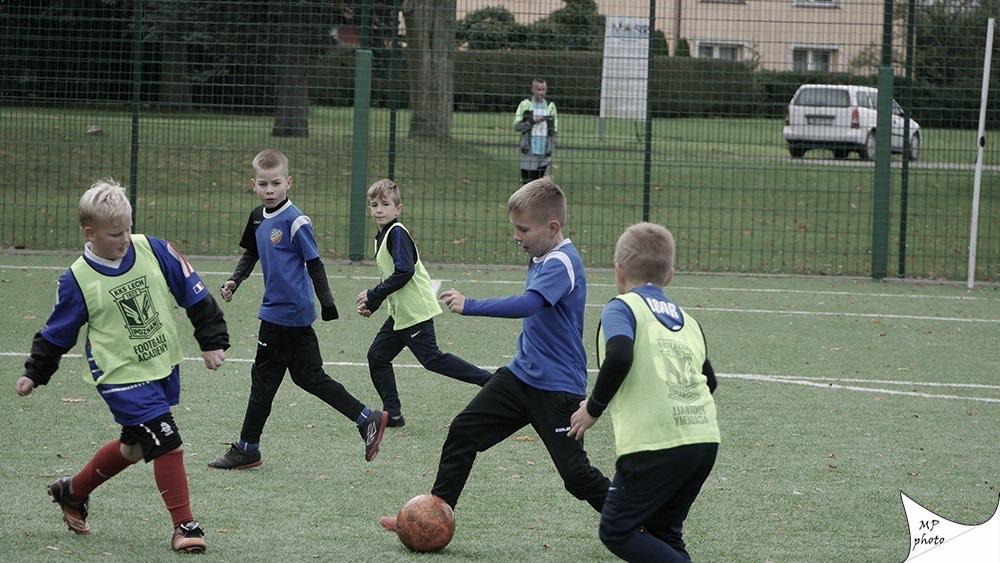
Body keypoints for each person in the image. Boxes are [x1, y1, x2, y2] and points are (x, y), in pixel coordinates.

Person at [380, 177, 610, 534]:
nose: (516, 236)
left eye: (523, 229)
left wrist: (470, 305)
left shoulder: (563, 262)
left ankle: (635, 519)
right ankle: (430, 518)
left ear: (552, 227)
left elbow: (529, 304)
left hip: (557, 389)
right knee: (462, 432)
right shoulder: (542, 254)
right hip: (520, 377)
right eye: (514, 228)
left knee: (576, 477)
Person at [15, 179, 229, 553]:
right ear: (91, 233)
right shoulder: (78, 279)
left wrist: (211, 340)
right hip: (118, 376)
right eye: (115, 233)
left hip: (159, 366)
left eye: (128, 228)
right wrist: (35, 371)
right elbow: (57, 332)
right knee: (167, 441)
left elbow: (194, 292)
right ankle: (185, 525)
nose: (125, 238)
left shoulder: (154, 249)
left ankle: (72, 491)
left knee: (135, 449)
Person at [208, 149, 387, 470]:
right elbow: (251, 254)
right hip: (286, 315)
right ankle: (367, 418)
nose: (270, 190)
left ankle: (248, 449)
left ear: (288, 182)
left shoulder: (295, 220)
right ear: (254, 184)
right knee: (308, 375)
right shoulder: (256, 217)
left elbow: (314, 263)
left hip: (283, 314)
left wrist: (328, 302)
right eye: (263, 184)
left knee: (263, 379)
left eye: (276, 183)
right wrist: (235, 281)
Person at [567, 222, 720, 563]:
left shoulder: (622, 308)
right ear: (670, 276)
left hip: (656, 443)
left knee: (617, 529)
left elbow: (620, 353)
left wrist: (592, 409)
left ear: (618, 270)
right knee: (664, 532)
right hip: (703, 438)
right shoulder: (687, 320)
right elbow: (709, 381)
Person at [356, 179, 493, 428]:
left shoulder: (397, 233)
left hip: (415, 311)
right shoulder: (382, 236)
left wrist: (374, 295)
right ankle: (393, 414)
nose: (378, 209)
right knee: (377, 356)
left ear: (398, 208)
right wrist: (374, 303)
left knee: (432, 359)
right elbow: (390, 276)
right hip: (401, 314)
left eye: (385, 204)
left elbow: (404, 271)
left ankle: (491, 382)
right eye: (374, 204)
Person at [515, 78, 557, 185]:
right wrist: (533, 121)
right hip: (529, 150)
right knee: (527, 184)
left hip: (544, 152)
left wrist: (550, 148)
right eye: (538, 89)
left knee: (541, 186)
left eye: (543, 90)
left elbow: (554, 131)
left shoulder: (550, 106)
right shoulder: (525, 105)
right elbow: (517, 126)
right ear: (532, 90)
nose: (541, 92)